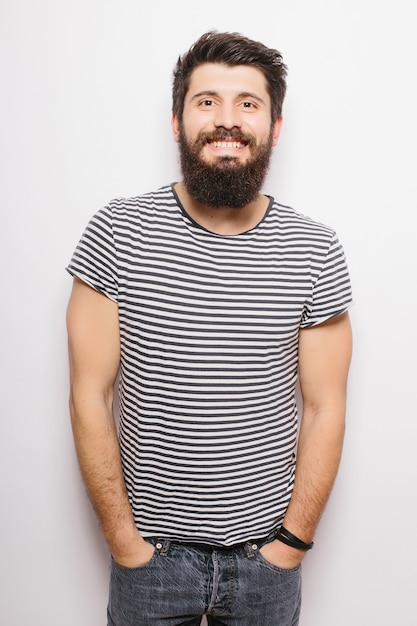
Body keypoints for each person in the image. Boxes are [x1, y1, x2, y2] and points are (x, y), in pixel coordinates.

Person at [66, 30, 353, 626]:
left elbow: (325, 407)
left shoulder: (315, 250)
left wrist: (289, 548)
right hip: (152, 562)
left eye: (248, 103)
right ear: (177, 121)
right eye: (207, 101)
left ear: (275, 127)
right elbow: (89, 394)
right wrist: (127, 547)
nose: (228, 121)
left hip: (264, 563)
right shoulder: (117, 233)